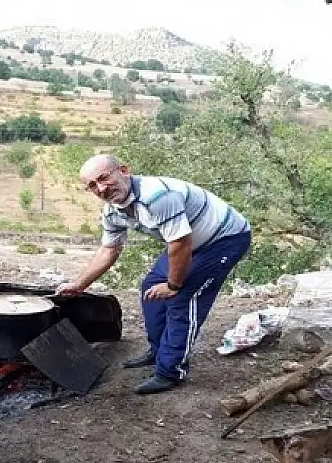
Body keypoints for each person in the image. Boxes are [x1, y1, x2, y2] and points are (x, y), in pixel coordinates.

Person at [56, 154, 252, 395]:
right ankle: (158, 350)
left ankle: (171, 371)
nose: (101, 188)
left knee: (182, 297)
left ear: (124, 170)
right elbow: (109, 250)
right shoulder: (113, 211)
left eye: (104, 178)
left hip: (224, 239)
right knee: (151, 286)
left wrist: (173, 285)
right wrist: (79, 285)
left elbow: (180, 243)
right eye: (92, 186)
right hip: (188, 240)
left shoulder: (157, 196)